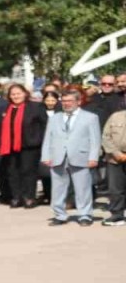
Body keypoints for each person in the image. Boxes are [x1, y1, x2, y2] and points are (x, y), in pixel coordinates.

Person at [42, 90, 102, 227]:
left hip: (81, 156)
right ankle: (59, 214)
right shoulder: (54, 118)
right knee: (57, 188)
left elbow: (95, 140)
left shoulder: (90, 117)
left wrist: (94, 157)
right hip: (58, 157)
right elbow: (48, 139)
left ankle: (85, 214)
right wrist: (46, 155)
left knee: (83, 188)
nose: (66, 104)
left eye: (69, 101)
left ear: (78, 102)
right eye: (64, 101)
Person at [0, 83, 47, 209]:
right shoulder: (4, 108)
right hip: (9, 146)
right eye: (13, 94)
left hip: (30, 145)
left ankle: (29, 197)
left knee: (28, 172)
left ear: (25, 94)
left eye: (18, 93)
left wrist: (40, 140)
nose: (16, 96)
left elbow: (45, 125)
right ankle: (16, 197)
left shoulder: (35, 107)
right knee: (12, 172)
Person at [103, 107, 126, 226]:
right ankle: (117, 215)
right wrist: (117, 154)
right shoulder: (115, 116)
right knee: (115, 189)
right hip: (115, 158)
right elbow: (106, 137)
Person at [38, 91, 60, 203]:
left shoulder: (61, 112)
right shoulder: (39, 111)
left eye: (53, 100)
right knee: (45, 172)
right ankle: (47, 194)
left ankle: (57, 195)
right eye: (48, 100)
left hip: (57, 144)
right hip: (43, 144)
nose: (50, 103)